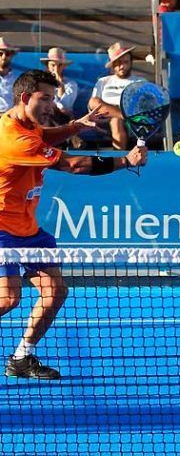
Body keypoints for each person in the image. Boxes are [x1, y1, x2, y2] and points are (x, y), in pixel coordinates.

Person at [0, 69, 147, 380]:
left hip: (28, 229)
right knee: (8, 299)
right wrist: (125, 161)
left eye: (53, 99)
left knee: (55, 292)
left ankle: (21, 358)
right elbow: (75, 165)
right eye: (45, 99)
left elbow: (43, 135)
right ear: (25, 97)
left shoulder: (24, 123)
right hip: (2, 229)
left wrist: (76, 126)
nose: (51, 106)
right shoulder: (14, 138)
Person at [88, 42, 146, 150]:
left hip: (133, 120)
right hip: (105, 118)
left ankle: (119, 159)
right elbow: (93, 105)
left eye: (125, 62)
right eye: (118, 63)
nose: (122, 66)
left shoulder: (140, 82)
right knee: (94, 101)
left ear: (131, 62)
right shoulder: (103, 81)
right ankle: (123, 116)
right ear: (113, 65)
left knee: (116, 120)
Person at [40, 47, 84, 149]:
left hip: (64, 115)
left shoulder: (71, 84)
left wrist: (60, 85)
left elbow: (66, 105)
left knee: (58, 112)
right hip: (47, 115)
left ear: (63, 67)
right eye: (53, 65)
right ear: (47, 65)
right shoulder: (41, 84)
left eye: (59, 65)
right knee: (49, 111)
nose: (56, 69)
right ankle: (72, 138)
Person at [0, 37, 19, 115]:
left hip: (10, 117)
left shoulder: (17, 79)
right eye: (0, 53)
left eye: (7, 54)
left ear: (11, 56)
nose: (4, 57)